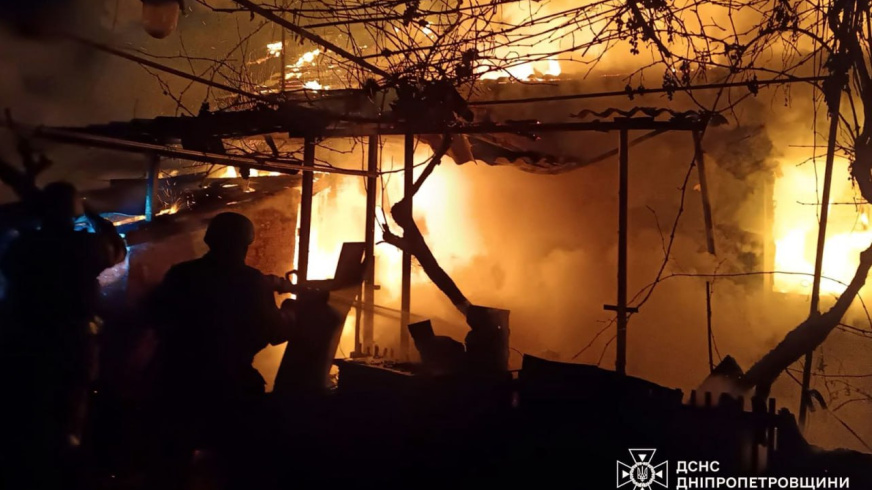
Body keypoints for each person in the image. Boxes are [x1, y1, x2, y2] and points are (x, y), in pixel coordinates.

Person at [146, 211, 294, 489]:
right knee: (239, 465)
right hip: (229, 386)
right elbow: (275, 332)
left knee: (171, 467)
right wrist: (290, 311)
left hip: (177, 383)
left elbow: (156, 316)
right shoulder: (251, 282)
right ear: (246, 244)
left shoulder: (181, 274)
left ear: (209, 239)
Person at [0, 181, 127, 489]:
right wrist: (97, 217)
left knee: (30, 410)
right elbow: (117, 251)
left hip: (26, 341)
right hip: (73, 343)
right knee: (70, 412)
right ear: (74, 210)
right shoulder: (85, 245)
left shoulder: (24, 245)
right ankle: (65, 470)